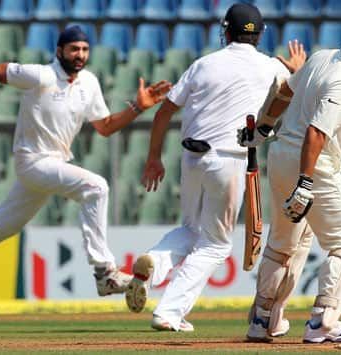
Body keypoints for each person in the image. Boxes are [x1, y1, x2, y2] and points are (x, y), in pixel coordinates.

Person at [0, 26, 171, 310]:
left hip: (52, 165)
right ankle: (104, 273)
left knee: (1, 226)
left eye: (85, 50)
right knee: (96, 187)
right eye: (74, 49)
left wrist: (137, 108)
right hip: (32, 161)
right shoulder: (42, 75)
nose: (80, 55)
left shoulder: (89, 82)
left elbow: (105, 127)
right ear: (59, 51)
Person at [123, 3, 306, 332]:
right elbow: (292, 93)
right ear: (260, 34)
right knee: (216, 244)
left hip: (191, 158)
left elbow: (164, 112)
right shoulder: (270, 68)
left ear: (226, 32)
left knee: (192, 230)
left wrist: (153, 158)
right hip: (229, 160)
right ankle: (170, 312)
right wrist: (294, 69)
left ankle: (157, 261)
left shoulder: (203, 65)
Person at [238, 19, 341, 342]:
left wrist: (262, 128)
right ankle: (323, 321)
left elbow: (284, 91)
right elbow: (316, 132)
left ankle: (261, 320)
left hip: (281, 156)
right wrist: (305, 182)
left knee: (282, 245)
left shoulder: (320, 58)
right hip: (314, 164)